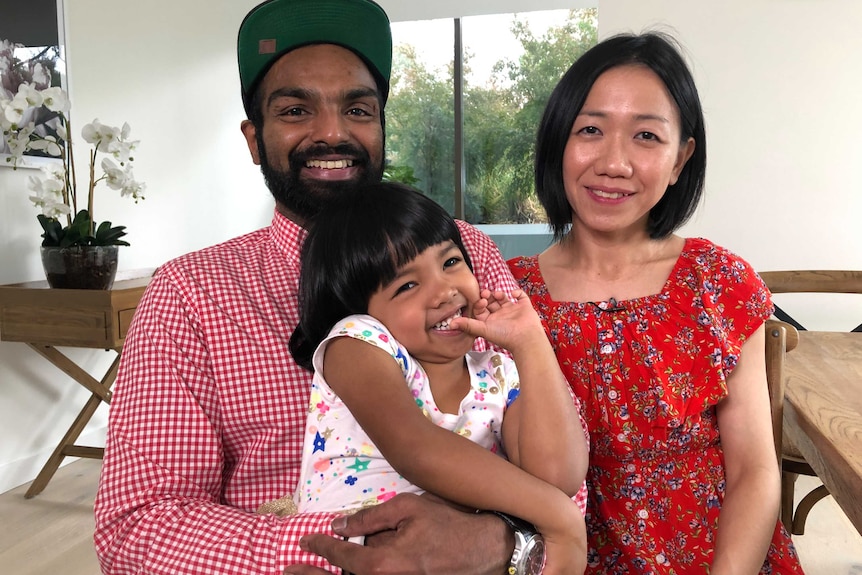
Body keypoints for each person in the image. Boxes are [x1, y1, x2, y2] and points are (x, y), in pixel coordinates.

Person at [93, 1, 587, 574]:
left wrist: (498, 544)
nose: (331, 132)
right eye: (296, 109)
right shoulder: (191, 292)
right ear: (254, 140)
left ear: (380, 128)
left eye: (357, 108)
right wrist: (362, 548)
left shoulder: (467, 253)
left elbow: (562, 465)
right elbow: (138, 530)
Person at [508, 32, 805, 574]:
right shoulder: (508, 299)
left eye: (646, 136)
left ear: (680, 159)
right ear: (558, 143)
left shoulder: (719, 282)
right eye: (591, 130)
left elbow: (755, 472)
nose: (614, 162)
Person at [256, 181, 588, 573]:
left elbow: (557, 474)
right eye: (407, 285)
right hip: (354, 559)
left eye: (450, 262)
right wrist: (557, 517)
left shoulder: (497, 374)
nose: (444, 291)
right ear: (360, 307)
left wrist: (532, 344)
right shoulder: (358, 341)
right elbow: (416, 449)